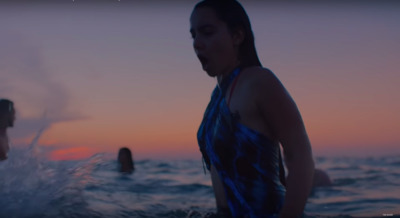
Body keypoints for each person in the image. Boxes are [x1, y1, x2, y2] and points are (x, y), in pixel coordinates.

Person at [191, 1, 314, 217]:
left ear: (237, 36)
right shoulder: (218, 96)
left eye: (207, 32)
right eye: (194, 36)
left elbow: (299, 155)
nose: (197, 44)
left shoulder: (259, 82)